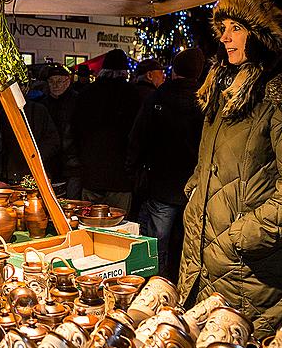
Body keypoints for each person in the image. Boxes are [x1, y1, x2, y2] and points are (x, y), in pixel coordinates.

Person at [179, 0, 282, 339]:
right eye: (222, 29)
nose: (225, 38)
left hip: (258, 279)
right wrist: (195, 196)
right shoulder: (227, 90)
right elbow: (214, 168)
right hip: (207, 265)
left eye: (236, 28)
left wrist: (237, 238)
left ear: (264, 33)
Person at [127, 48, 205, 280]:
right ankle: (185, 284)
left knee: (158, 239)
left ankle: (158, 284)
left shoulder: (157, 98)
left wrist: (133, 169)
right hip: (196, 185)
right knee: (190, 240)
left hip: (162, 183)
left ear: (174, 71)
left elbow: (138, 137)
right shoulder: (205, 101)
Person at [71, 49, 139, 212]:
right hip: (120, 176)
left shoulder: (86, 93)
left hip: (91, 172)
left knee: (90, 224)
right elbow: (137, 136)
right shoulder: (133, 95)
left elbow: (75, 130)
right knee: (119, 228)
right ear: (124, 71)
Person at [40, 64, 81, 198]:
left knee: (71, 200)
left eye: (59, 81)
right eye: (51, 82)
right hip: (50, 161)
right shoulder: (43, 103)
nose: (55, 85)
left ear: (67, 81)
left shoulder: (77, 101)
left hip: (72, 162)